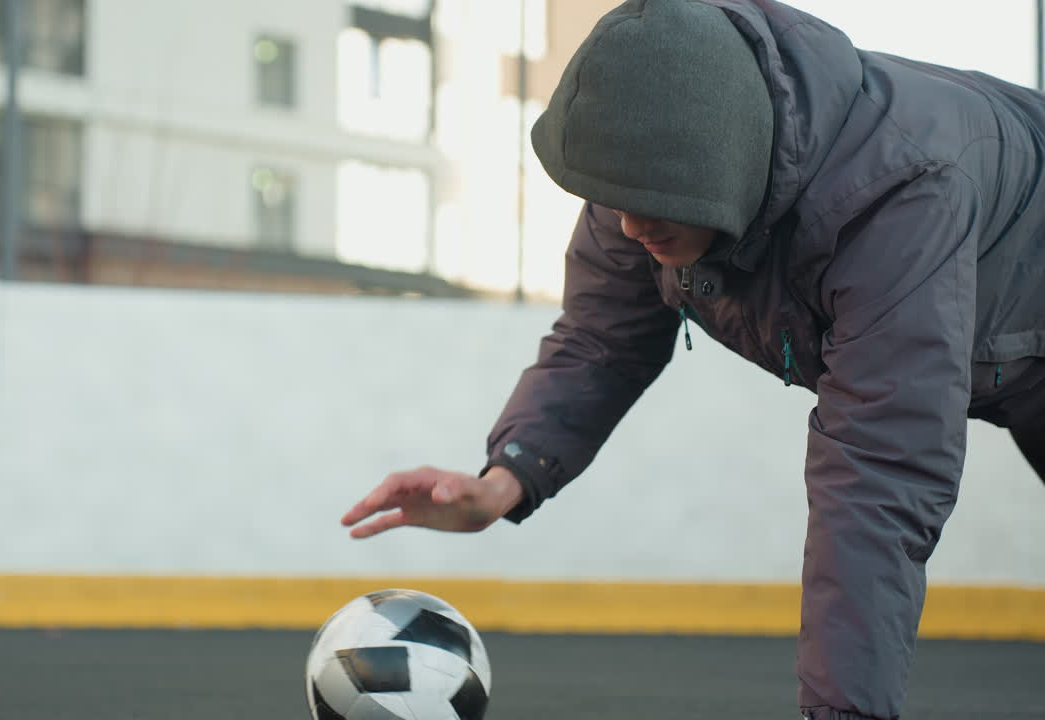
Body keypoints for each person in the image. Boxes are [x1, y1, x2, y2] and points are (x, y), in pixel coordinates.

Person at [340, 0, 1045, 718]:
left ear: (728, 167)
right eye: (612, 201)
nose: (628, 225)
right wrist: (501, 482)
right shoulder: (641, 185)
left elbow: (879, 469)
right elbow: (600, 343)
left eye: (652, 206)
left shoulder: (895, 193)